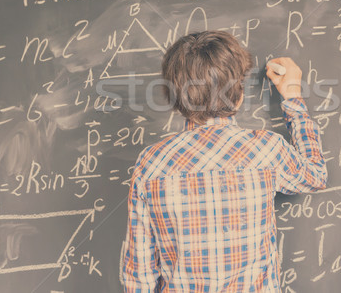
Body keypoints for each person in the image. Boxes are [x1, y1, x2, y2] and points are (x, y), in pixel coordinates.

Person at [122, 31, 327, 292]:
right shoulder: (266, 150)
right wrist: (293, 98)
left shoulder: (151, 163)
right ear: (239, 94)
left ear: (174, 98)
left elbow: (139, 275)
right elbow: (315, 175)